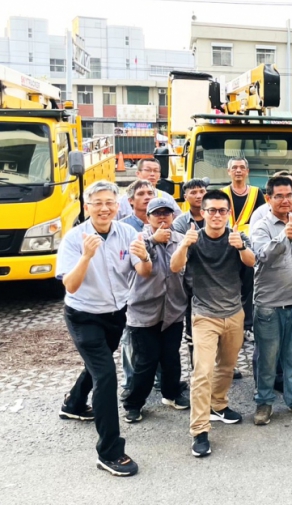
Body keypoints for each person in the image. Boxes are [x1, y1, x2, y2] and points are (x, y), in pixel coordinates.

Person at [56, 180, 152, 476]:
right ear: (88, 207)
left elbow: (143, 272)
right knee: (106, 375)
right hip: (83, 316)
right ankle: (110, 452)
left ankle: (73, 403)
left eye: (110, 202)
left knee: (97, 367)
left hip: (116, 313)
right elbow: (70, 285)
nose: (104, 208)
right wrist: (86, 256)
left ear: (117, 205)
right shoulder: (75, 238)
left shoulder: (127, 232)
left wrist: (145, 256)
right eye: (97, 203)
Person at [169, 190, 255, 458]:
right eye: (212, 210)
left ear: (228, 213)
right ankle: (199, 431)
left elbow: (253, 262)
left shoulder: (237, 237)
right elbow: (174, 267)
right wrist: (184, 244)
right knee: (202, 372)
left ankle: (218, 404)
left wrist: (240, 246)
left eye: (222, 210)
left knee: (227, 367)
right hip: (204, 315)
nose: (217, 215)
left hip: (234, 313)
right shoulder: (193, 239)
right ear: (202, 213)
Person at [250, 175, 292, 425]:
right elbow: (261, 255)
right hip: (268, 305)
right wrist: (284, 239)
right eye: (279, 196)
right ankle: (264, 402)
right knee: (268, 359)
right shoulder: (262, 225)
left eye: (289, 195)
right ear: (269, 198)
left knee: (290, 357)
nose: (286, 200)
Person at [122, 198, 190, 424]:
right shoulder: (138, 240)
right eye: (157, 213)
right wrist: (152, 240)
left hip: (173, 310)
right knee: (146, 362)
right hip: (143, 313)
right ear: (147, 217)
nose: (162, 217)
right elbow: (138, 265)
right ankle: (133, 404)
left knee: (171, 358)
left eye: (166, 213)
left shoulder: (181, 240)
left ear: (173, 216)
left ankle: (171, 394)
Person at [118, 179, 156, 400]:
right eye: (141, 193)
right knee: (130, 340)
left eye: (150, 192)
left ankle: (159, 382)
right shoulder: (123, 227)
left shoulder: (164, 221)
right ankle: (130, 382)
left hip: (160, 293)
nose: (147, 196)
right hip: (130, 294)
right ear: (131, 201)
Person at [221, 158, 265, 340]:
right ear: (228, 171)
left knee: (249, 286)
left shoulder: (256, 193)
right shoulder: (222, 193)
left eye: (241, 167)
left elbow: (263, 218)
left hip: (248, 246)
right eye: (234, 168)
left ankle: (247, 325)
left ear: (247, 171)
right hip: (226, 245)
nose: (238, 171)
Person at [172, 179, 207, 372]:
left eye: (202, 191)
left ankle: (221, 365)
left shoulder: (217, 215)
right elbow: (180, 252)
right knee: (193, 328)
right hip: (190, 284)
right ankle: (197, 367)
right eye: (193, 192)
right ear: (185, 197)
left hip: (217, 282)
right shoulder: (180, 223)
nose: (198, 195)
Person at [116, 158, 181, 219]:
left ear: (159, 175)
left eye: (156, 171)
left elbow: (178, 221)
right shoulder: (123, 201)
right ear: (138, 173)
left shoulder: (167, 198)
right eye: (148, 170)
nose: (152, 174)